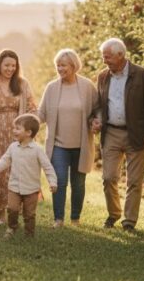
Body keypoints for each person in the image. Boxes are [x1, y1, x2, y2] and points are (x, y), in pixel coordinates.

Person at [91, 38, 144, 232]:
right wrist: (96, 118)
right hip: (111, 131)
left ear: (120, 55)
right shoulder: (103, 76)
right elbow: (98, 104)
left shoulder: (142, 75)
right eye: (103, 57)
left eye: (108, 57)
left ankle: (129, 222)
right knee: (108, 177)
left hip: (136, 133)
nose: (105, 61)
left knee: (134, 181)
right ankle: (114, 213)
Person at [38, 49, 99, 228]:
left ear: (74, 66)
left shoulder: (87, 86)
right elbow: (41, 113)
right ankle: (58, 219)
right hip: (59, 144)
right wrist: (28, 124)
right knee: (60, 180)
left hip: (81, 144)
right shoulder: (52, 88)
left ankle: (75, 218)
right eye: (58, 65)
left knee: (78, 184)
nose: (60, 68)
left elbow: (98, 109)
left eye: (63, 65)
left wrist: (97, 120)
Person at [0, 49, 37, 225]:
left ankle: (16, 211)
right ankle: (1, 215)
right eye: (7, 65)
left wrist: (28, 127)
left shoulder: (22, 84)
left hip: (17, 134)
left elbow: (33, 108)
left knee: (16, 171)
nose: (10, 68)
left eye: (13, 65)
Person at [0, 114, 56, 238]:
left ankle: (29, 233)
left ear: (28, 132)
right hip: (14, 186)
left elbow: (48, 167)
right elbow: (5, 160)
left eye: (18, 128)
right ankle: (12, 227)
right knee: (12, 209)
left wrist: (52, 182)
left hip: (31, 188)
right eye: (14, 128)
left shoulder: (37, 150)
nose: (14, 130)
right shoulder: (13, 147)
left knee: (29, 213)